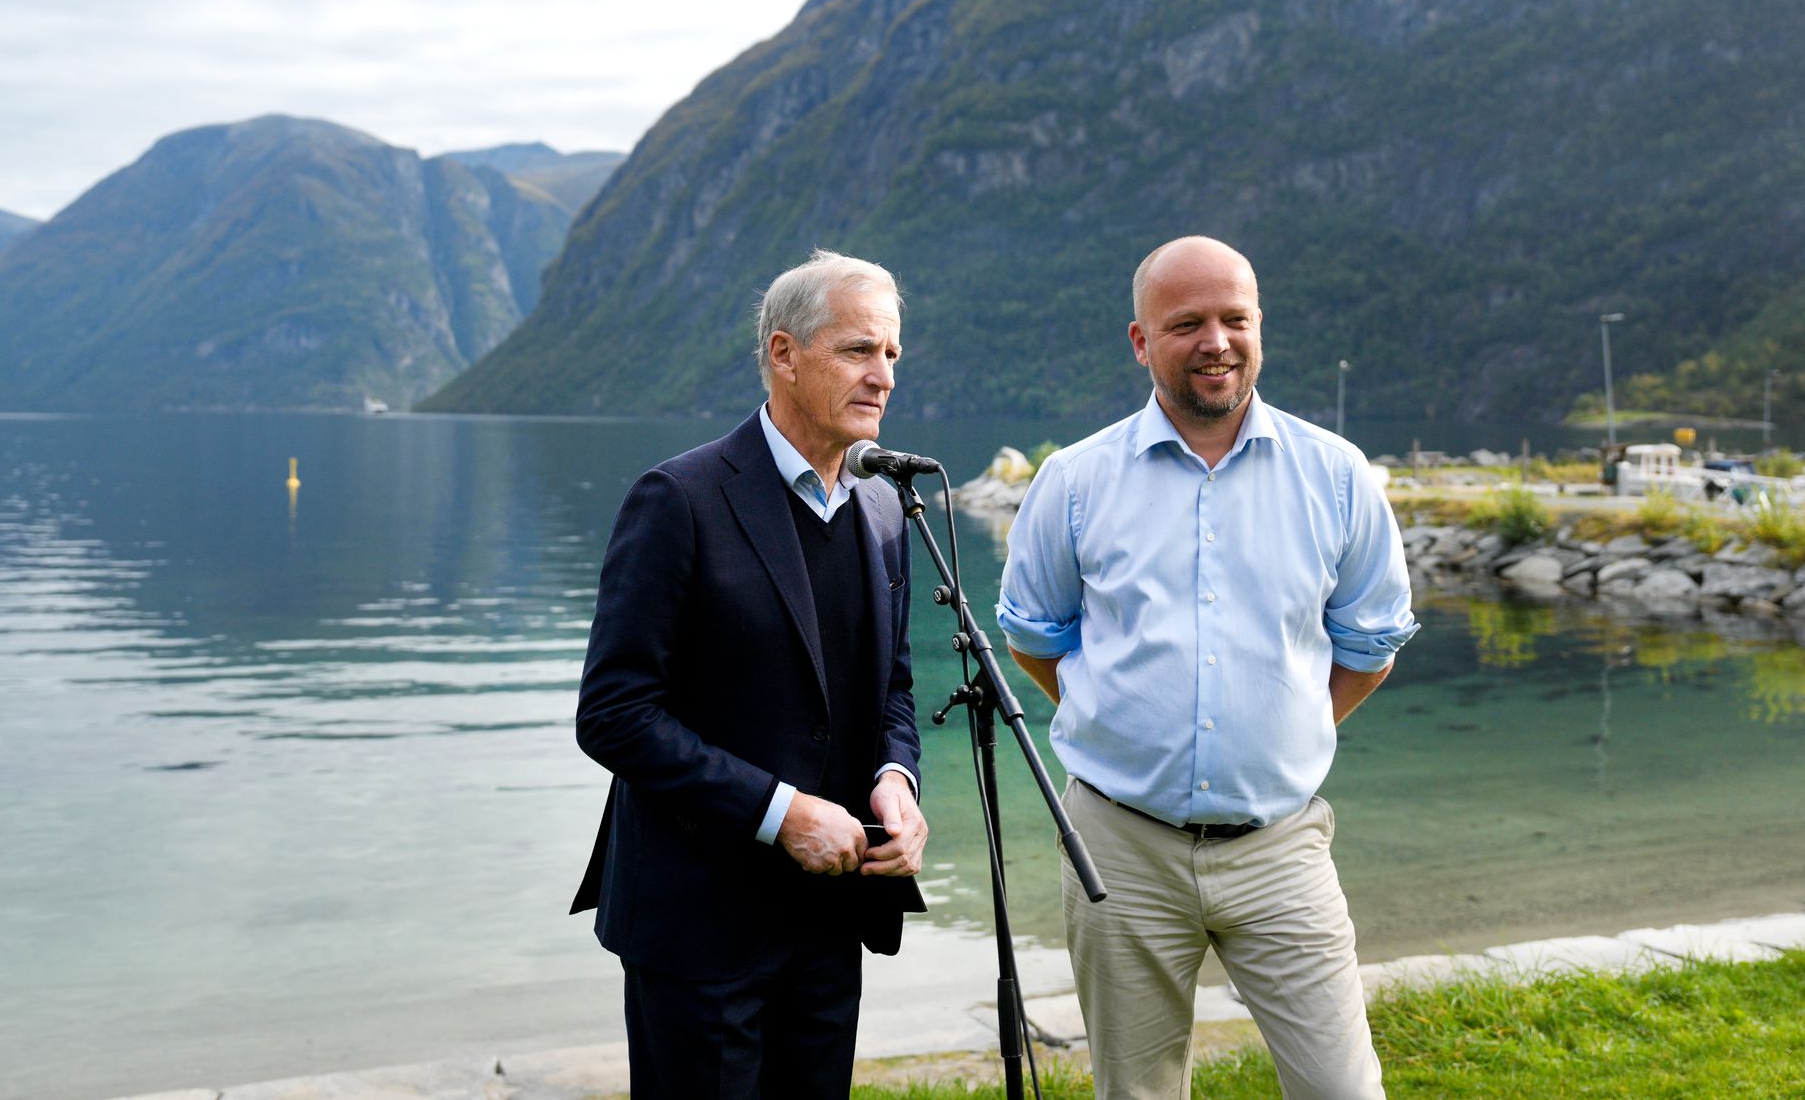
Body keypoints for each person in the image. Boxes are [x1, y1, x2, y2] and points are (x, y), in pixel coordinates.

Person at [996, 235, 1417, 1099]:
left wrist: (1289, 728)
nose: (1215, 341)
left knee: (1343, 1088)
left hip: (1281, 847)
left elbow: (1369, 645)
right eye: (1187, 323)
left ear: (1260, 326)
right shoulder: (1074, 481)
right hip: (1120, 848)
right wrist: (1118, 717)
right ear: (1141, 340)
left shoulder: (1337, 475)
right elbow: (1033, 635)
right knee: (1137, 1092)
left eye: (1235, 319)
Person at [571, 249, 929, 1099]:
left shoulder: (885, 507)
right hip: (697, 925)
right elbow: (615, 712)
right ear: (784, 354)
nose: (883, 375)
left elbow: (893, 690)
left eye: (891, 354)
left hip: (832, 915)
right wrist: (782, 813)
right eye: (858, 350)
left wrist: (897, 780)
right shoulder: (678, 497)